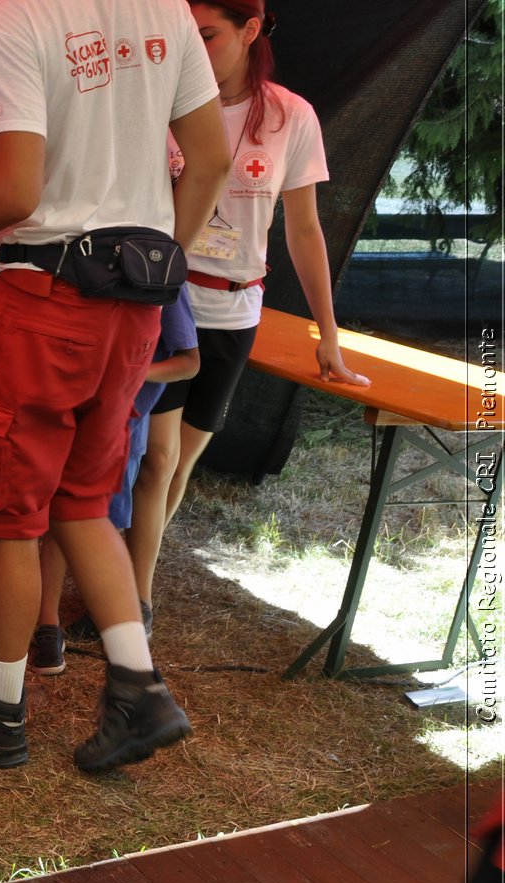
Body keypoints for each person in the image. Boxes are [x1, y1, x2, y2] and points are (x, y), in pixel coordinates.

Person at [0, 0, 229, 773]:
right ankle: (138, 687)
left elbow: (13, 189)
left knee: (10, 513)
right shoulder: (167, 13)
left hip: (48, 296)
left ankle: (0, 708)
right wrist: (155, 263)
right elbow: (208, 158)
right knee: (81, 495)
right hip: (135, 297)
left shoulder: (12, 20)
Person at [127, 0, 371, 624]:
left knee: (180, 462)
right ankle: (131, 604)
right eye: (188, 35)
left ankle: (128, 587)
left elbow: (305, 232)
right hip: (170, 299)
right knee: (156, 459)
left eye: (207, 36)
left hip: (235, 311)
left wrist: (329, 335)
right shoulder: (161, 102)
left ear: (251, 30)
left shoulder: (291, 116)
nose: (195, 48)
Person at [31, 288, 201, 675]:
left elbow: (189, 362)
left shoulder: (159, 270)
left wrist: (130, 375)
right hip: (64, 408)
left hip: (119, 423)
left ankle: (132, 665)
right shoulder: (77, 250)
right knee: (58, 516)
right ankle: (48, 626)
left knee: (88, 521)